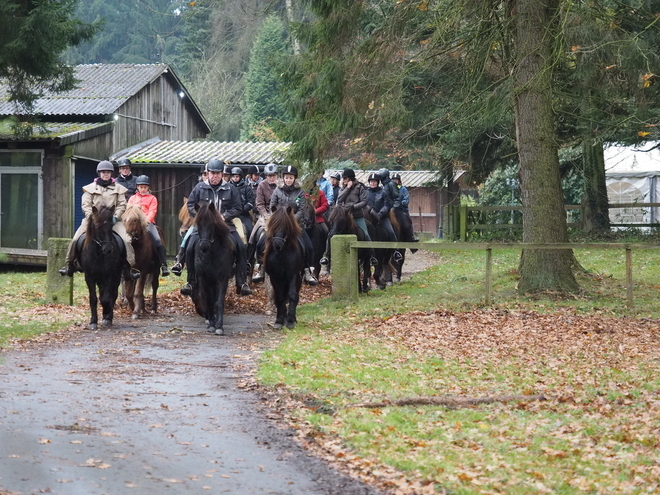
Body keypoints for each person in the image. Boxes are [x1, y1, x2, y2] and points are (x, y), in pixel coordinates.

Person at [174, 158, 252, 296]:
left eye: (217, 173)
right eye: (212, 173)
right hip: (204, 225)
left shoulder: (230, 188)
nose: (215, 176)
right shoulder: (199, 187)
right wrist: (198, 216)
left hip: (226, 224)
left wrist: (225, 216)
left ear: (222, 174)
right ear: (207, 173)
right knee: (190, 244)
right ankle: (190, 280)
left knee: (241, 244)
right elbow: (191, 204)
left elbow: (238, 207)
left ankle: (242, 281)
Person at [59, 160, 139, 280]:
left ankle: (129, 267)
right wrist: (92, 218)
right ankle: (70, 264)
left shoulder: (119, 188)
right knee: (76, 239)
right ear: (99, 173)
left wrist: (115, 216)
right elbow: (85, 205)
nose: (105, 174)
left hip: (113, 221)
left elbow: (122, 204)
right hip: (92, 221)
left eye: (108, 172)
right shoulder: (89, 188)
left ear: (111, 173)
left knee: (127, 241)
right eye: (103, 172)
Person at [269, 165, 319, 286]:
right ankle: (260, 268)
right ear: (283, 178)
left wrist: (291, 221)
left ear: (294, 179)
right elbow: (272, 206)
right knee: (260, 243)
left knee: (309, 247)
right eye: (286, 178)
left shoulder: (300, 192)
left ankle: (307, 271)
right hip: (279, 225)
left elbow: (302, 210)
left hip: (295, 225)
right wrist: (279, 220)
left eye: (291, 178)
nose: (288, 180)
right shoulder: (277, 190)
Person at [320, 168, 377, 266]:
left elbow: (364, 201)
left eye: (345, 178)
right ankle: (326, 255)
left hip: (357, 216)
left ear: (350, 178)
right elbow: (339, 199)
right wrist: (347, 188)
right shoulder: (343, 188)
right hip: (344, 217)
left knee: (366, 234)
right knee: (331, 233)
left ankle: (372, 257)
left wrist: (353, 206)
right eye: (343, 178)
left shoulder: (360, 187)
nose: (343, 180)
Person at [127, 175, 170, 276]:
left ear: (148, 187)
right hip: (133, 224)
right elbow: (128, 211)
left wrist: (145, 221)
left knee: (158, 240)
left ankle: (163, 264)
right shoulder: (132, 198)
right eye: (141, 187)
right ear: (137, 187)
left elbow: (152, 211)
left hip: (148, 223)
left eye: (145, 187)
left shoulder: (152, 198)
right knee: (126, 239)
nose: (143, 189)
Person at [249, 163, 278, 283]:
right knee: (253, 237)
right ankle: (258, 264)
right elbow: (259, 203)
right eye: (269, 176)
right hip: (264, 215)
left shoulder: (281, 185)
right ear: (266, 176)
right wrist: (266, 215)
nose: (272, 178)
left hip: (278, 215)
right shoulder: (262, 185)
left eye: (273, 175)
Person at [365, 173, 402, 262]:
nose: (373, 183)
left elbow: (387, 205)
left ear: (377, 182)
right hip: (368, 218)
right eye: (371, 181)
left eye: (374, 182)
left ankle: (395, 251)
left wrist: (380, 214)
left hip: (381, 218)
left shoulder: (383, 192)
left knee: (391, 232)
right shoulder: (365, 192)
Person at [391, 172, 419, 243]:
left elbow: (406, 199)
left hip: (402, 210)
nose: (395, 181)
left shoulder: (403, 189)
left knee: (407, 223)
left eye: (396, 180)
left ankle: (411, 237)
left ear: (399, 181)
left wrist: (400, 203)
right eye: (393, 180)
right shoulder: (389, 189)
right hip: (391, 210)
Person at [230, 167, 255, 244]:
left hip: (243, 214)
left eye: (237, 176)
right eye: (233, 176)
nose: (235, 178)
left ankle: (250, 252)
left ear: (240, 177)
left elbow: (251, 201)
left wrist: (244, 209)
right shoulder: (228, 187)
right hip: (230, 215)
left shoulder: (247, 188)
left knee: (251, 231)